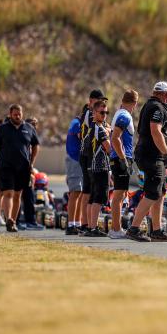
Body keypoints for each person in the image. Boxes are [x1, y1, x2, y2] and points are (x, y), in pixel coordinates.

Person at [126, 82, 167, 242]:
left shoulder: (153, 106)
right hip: (151, 156)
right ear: (164, 94)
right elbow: (155, 131)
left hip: (153, 156)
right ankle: (133, 229)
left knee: (159, 193)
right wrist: (166, 154)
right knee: (153, 192)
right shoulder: (156, 108)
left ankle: (156, 230)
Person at [0, 104, 40, 233]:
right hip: (6, 166)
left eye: (19, 114)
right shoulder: (3, 129)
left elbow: (36, 145)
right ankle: (9, 218)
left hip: (23, 167)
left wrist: (31, 162)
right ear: (10, 114)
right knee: (8, 193)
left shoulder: (29, 128)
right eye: (15, 114)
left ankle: (13, 222)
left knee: (17, 194)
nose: (17, 116)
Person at [108, 89, 139, 239]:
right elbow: (115, 138)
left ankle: (116, 227)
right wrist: (123, 159)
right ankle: (115, 229)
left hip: (118, 157)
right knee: (119, 195)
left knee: (121, 194)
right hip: (121, 157)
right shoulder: (125, 116)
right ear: (135, 103)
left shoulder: (119, 113)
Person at [78, 89, 108, 233]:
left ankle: (88, 224)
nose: (101, 103)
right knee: (88, 191)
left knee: (91, 191)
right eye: (98, 100)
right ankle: (86, 224)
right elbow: (99, 132)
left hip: (90, 154)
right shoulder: (89, 114)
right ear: (91, 101)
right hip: (88, 155)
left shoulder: (92, 113)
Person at [84, 100, 111, 237]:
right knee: (98, 199)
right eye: (101, 112)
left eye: (106, 112)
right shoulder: (99, 128)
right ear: (94, 113)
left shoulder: (95, 127)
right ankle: (93, 228)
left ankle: (90, 227)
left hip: (93, 167)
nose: (104, 115)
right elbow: (109, 147)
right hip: (100, 167)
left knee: (93, 198)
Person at [64, 112, 84, 235]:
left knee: (80, 193)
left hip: (81, 161)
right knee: (75, 192)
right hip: (74, 159)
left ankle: (77, 223)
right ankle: (71, 224)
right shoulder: (76, 123)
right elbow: (82, 137)